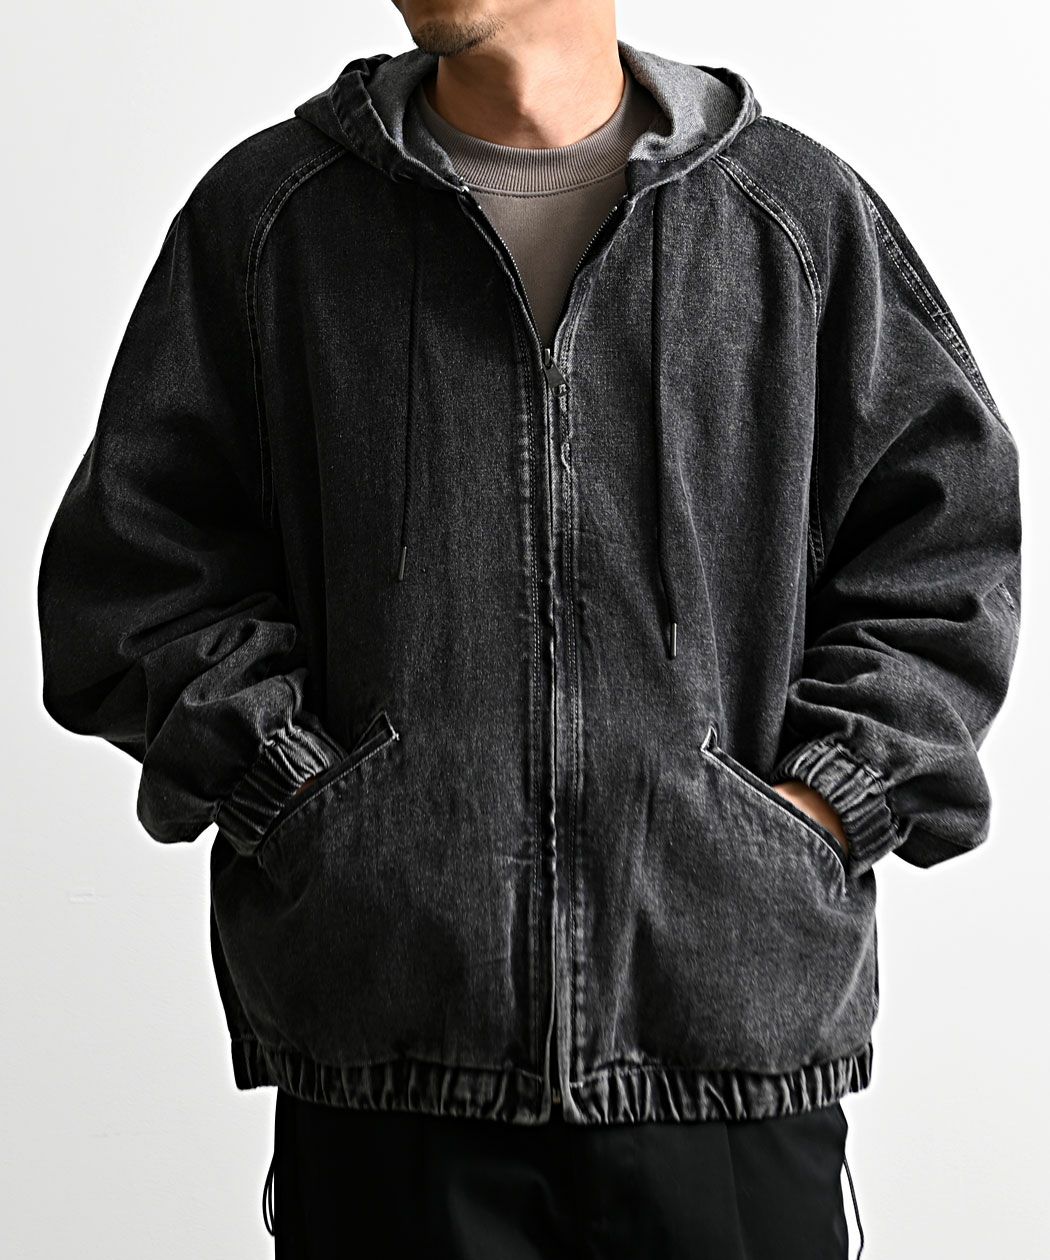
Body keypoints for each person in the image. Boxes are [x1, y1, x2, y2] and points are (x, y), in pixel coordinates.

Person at [36, 1, 1021, 1256]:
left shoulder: (791, 216)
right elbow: (136, 571)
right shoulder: (275, 220)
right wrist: (298, 794)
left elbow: (948, 549)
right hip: (391, 1064)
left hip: (727, 1049)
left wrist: (824, 805)